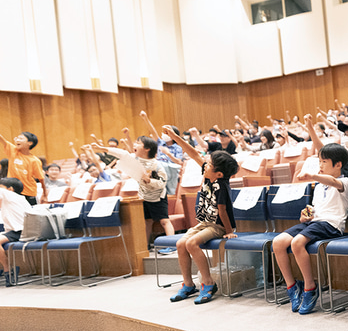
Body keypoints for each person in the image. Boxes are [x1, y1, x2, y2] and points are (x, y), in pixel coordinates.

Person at [272, 143, 348, 315]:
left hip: (331, 224)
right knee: (278, 242)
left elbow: (333, 182)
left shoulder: (346, 182)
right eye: (319, 161)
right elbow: (314, 208)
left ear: (338, 164)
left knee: (297, 243)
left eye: (324, 161)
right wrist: (305, 215)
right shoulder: (318, 186)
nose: (320, 165)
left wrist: (312, 175)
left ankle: (310, 287)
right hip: (314, 222)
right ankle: (292, 287)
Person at [161, 126, 239, 305]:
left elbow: (222, 211)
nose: (205, 164)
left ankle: (208, 282)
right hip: (204, 223)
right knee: (180, 244)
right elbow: (193, 152)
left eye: (209, 164)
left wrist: (229, 231)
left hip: (218, 226)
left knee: (191, 243)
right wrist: (174, 136)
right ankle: (188, 284)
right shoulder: (209, 174)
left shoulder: (221, 186)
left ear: (219, 174)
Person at [93, 136, 173, 249]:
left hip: (158, 196)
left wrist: (149, 181)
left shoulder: (157, 165)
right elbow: (122, 153)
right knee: (147, 221)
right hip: (144, 196)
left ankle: (172, 244)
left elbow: (162, 183)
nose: (134, 145)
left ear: (147, 149)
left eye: (138, 143)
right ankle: (145, 246)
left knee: (164, 221)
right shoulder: (135, 159)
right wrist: (102, 148)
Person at [0, 178, 31, 287]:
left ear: (10, 189)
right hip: (11, 231)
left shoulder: (11, 195)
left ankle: (8, 269)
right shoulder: (12, 198)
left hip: (20, 231)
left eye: (1, 187)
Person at [0, 128, 43, 205]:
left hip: (28, 192)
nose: (17, 140)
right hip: (12, 191)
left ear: (30, 143)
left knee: (30, 211)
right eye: (17, 138)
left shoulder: (35, 160)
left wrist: (45, 193)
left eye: (21, 138)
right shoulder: (13, 150)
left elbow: (41, 178)